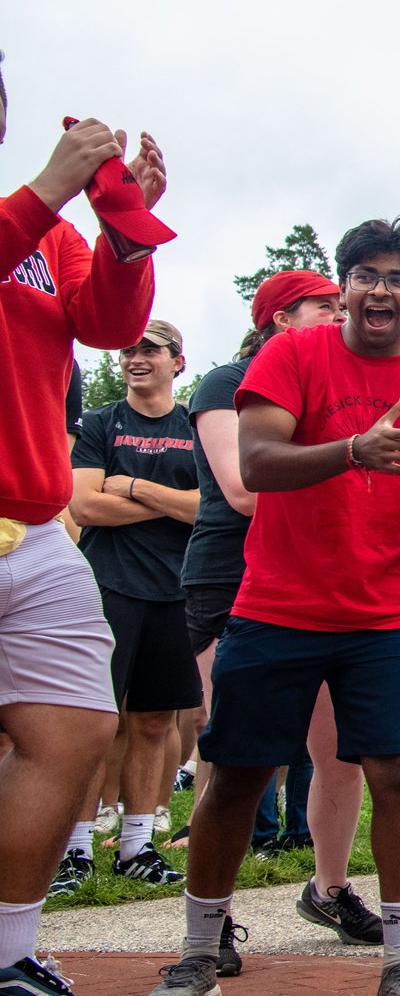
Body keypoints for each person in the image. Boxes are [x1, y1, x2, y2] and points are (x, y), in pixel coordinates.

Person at [147, 217, 400, 996]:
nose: (381, 290)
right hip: (278, 604)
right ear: (343, 287)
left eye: (398, 278)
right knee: (235, 773)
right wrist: (352, 450)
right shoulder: (291, 355)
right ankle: (201, 949)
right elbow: (258, 464)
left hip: (387, 613)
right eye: (366, 274)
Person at [0, 78, 165, 996]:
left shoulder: (49, 226)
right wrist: (48, 192)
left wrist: (126, 232)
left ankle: (9, 953)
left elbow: (103, 324)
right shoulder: (33, 206)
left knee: (73, 731)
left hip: (33, 519)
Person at [180, 272, 350, 908]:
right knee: (230, 747)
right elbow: (245, 489)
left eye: (341, 305)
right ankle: (210, 918)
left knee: (337, 749)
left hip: (317, 572)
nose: (341, 316)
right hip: (232, 572)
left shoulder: (332, 383)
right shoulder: (227, 382)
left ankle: (330, 889)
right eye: (324, 307)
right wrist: (354, 461)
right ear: (281, 318)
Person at [64, 320, 198, 892]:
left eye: (149, 350)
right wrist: (170, 504)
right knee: (95, 722)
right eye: (127, 350)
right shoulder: (100, 421)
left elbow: (208, 509)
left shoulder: (194, 425)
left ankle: (137, 846)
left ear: (177, 362)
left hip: (174, 588)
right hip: (108, 586)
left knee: (151, 721)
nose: (135, 359)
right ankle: (74, 850)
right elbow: (86, 507)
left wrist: (135, 488)